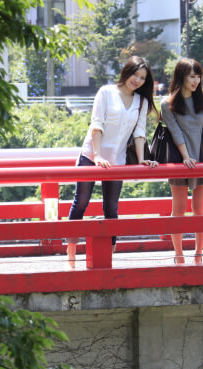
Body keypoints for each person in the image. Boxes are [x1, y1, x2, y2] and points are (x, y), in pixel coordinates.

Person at [65, 56, 159, 267]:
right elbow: (97, 124)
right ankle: (71, 251)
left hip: (117, 160)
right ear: (126, 71)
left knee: (111, 207)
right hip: (91, 155)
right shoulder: (106, 92)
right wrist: (97, 156)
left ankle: (110, 253)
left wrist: (143, 159)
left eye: (142, 78)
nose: (138, 80)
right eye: (135, 74)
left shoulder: (141, 101)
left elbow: (140, 131)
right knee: (81, 201)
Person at [161, 58, 203, 264]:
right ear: (181, 77)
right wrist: (186, 157)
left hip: (202, 154)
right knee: (178, 209)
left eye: (198, 76)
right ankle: (179, 255)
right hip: (180, 158)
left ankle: (198, 254)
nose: (195, 81)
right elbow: (176, 132)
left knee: (200, 209)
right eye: (191, 76)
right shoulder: (167, 103)